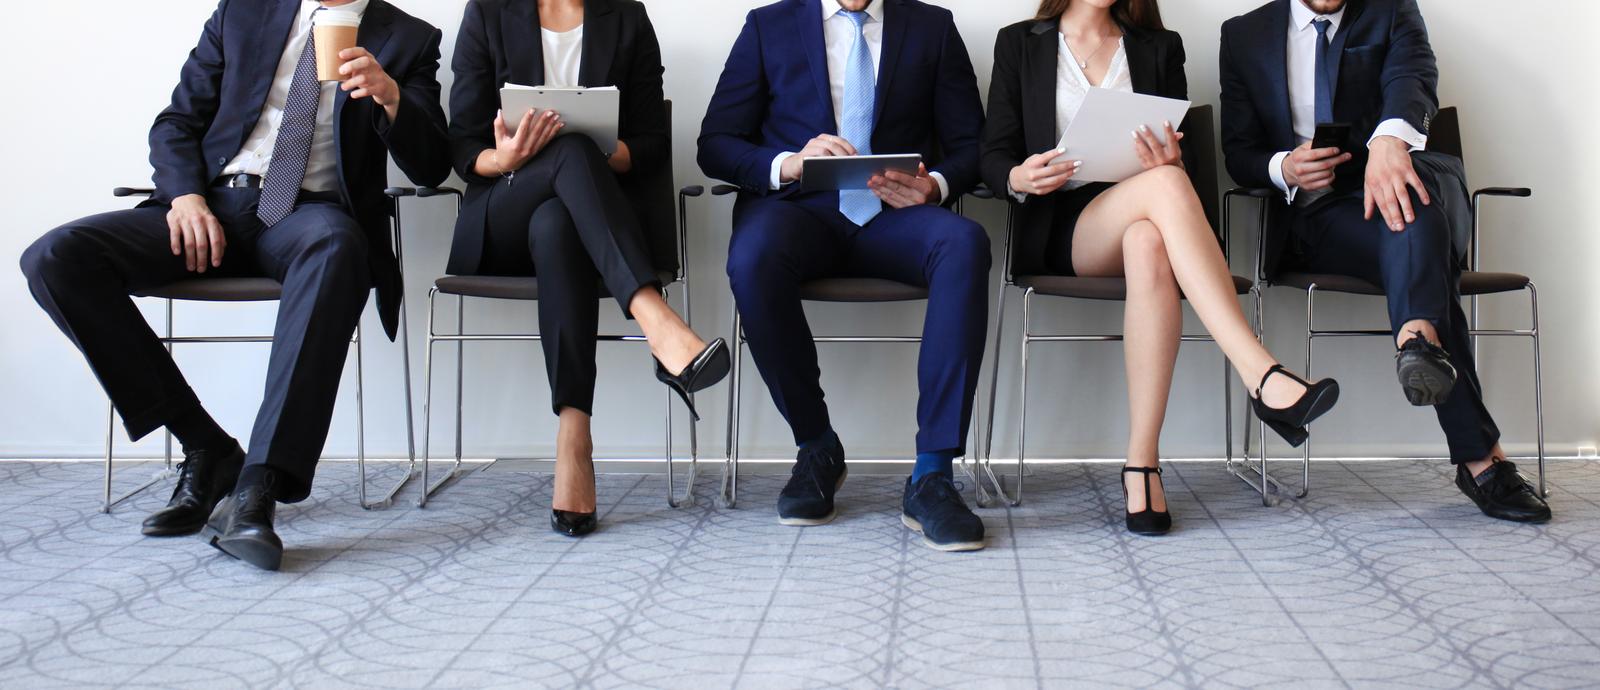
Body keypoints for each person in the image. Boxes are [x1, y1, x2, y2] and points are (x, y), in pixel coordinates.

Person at [19, 0, 454, 571]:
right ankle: (206, 446)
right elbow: (177, 122)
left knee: (337, 245)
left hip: (308, 215)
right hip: (212, 203)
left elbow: (430, 166)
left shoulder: (411, 38)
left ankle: (258, 486)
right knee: (56, 257)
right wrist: (185, 197)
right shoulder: (243, 12)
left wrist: (391, 96)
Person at [982, 0, 1340, 536]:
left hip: (1147, 216)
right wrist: (1017, 176)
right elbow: (992, 154)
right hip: (1064, 228)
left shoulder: (1158, 47)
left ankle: (1142, 464)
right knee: (1164, 190)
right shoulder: (1020, 42)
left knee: (1151, 235)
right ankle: (1261, 374)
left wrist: (1170, 161)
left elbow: (1187, 165)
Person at [1219, 0, 1549, 522]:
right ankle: (1477, 453)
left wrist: (1390, 142)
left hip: (1397, 190)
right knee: (1421, 229)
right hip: (1318, 219)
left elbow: (1412, 78)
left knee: (1409, 198)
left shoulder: (1392, 9)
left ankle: (1419, 340)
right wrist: (1287, 166)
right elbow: (1238, 150)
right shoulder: (1243, 35)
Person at [699, 0, 991, 551]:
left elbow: (972, 145)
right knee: (752, 257)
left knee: (964, 241)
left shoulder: (933, 26)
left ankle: (932, 474)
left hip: (895, 216)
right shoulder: (769, 25)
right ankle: (816, 446)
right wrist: (787, 161)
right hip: (797, 213)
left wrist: (936, 186)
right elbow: (715, 143)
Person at [447, 0, 730, 538]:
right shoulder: (487, 12)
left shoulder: (626, 16)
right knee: (570, 148)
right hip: (501, 213)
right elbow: (462, 144)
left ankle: (573, 439)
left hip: (581, 220)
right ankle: (655, 318)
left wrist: (602, 150)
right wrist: (504, 158)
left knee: (559, 220)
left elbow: (650, 142)